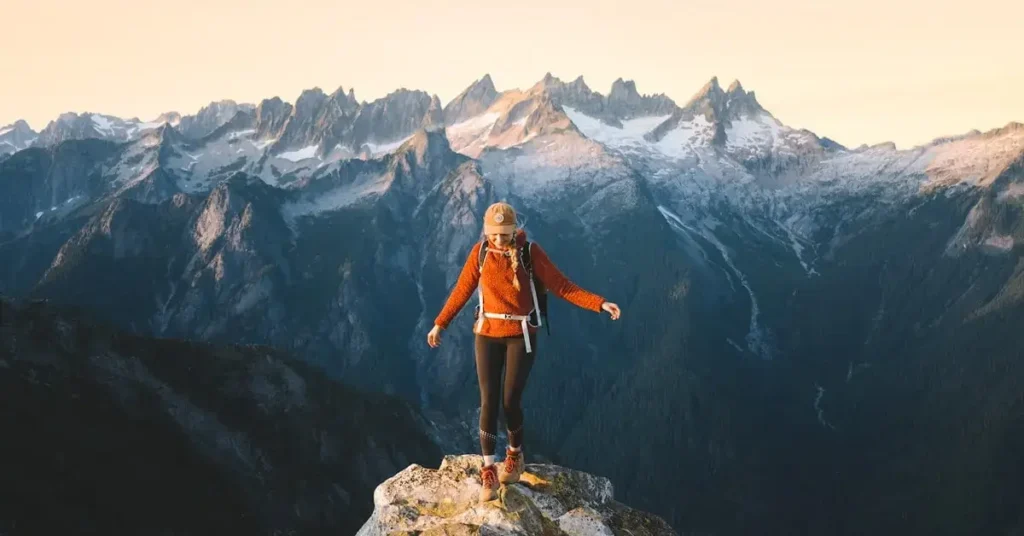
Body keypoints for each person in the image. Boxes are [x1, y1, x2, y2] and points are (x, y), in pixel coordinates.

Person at [427, 201, 621, 502]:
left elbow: (562, 286)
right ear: (486, 231)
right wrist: (440, 324)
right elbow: (463, 289)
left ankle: (515, 455)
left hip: (521, 336)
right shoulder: (479, 253)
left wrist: (599, 303)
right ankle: (489, 468)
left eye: (505, 235)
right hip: (487, 334)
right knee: (488, 401)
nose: (499, 240)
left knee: (509, 401)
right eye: (494, 234)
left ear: (515, 229)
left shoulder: (530, 253)